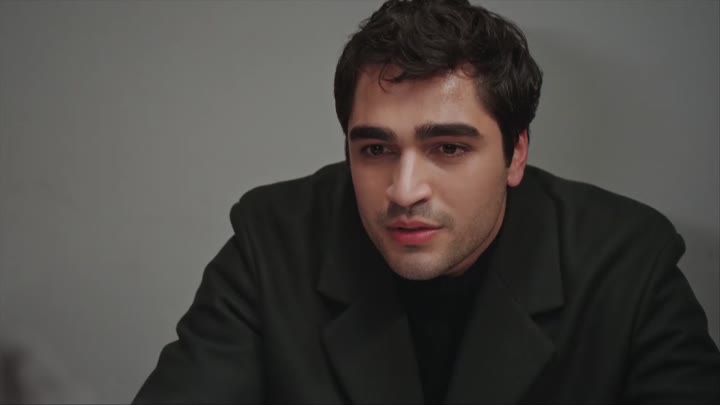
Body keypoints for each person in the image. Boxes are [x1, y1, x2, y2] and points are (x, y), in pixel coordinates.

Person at [134, 0, 720, 403]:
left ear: (516, 154)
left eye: (448, 148)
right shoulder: (272, 240)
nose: (404, 190)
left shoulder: (628, 262)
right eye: (375, 149)